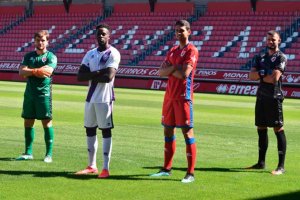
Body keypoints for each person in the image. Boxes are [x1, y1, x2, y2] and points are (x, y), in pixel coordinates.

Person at [150, 20, 199, 183]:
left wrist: (171, 68)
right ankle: (166, 169)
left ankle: (190, 173)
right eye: (177, 30)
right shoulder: (172, 50)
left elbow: (184, 74)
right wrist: (173, 68)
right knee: (168, 131)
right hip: (169, 97)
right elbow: (161, 72)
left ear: (189, 32)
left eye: (182, 30)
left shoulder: (191, 50)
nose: (179, 33)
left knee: (187, 132)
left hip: (183, 97)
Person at [75, 24, 120, 178]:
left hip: (105, 99)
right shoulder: (90, 54)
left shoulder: (113, 53)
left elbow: (108, 77)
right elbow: (80, 76)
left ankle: (105, 168)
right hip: (90, 98)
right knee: (89, 130)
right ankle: (91, 165)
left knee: (105, 131)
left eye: (104, 34)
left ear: (109, 36)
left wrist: (92, 73)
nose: (101, 36)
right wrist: (100, 71)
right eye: (98, 34)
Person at [247, 30, 287, 175]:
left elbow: (274, 78)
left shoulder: (281, 57)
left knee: (278, 129)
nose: (271, 42)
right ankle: (260, 163)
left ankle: (281, 166)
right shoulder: (260, 57)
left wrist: (261, 75)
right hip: (261, 97)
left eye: (273, 40)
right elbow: (251, 76)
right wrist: (264, 74)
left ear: (279, 41)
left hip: (274, 97)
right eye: (269, 39)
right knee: (261, 128)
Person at [17, 30, 57, 163]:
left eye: (43, 40)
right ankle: (28, 152)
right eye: (38, 40)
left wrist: (30, 71)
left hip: (43, 94)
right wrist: (36, 71)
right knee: (28, 121)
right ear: (34, 41)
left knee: (46, 122)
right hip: (29, 94)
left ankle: (48, 154)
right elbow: (21, 71)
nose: (40, 42)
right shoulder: (29, 56)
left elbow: (48, 72)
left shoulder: (51, 56)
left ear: (47, 42)